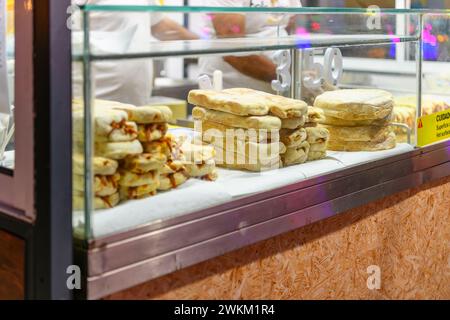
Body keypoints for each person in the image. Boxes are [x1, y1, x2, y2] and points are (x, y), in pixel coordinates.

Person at [72, 0, 198, 106]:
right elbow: (65, 36)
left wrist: (203, 43)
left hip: (137, 102)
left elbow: (160, 26)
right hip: (98, 101)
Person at [199, 0, 302, 93]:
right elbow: (233, 53)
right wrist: (290, 77)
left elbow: (285, 25)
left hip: (276, 86)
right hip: (232, 90)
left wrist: (291, 74)